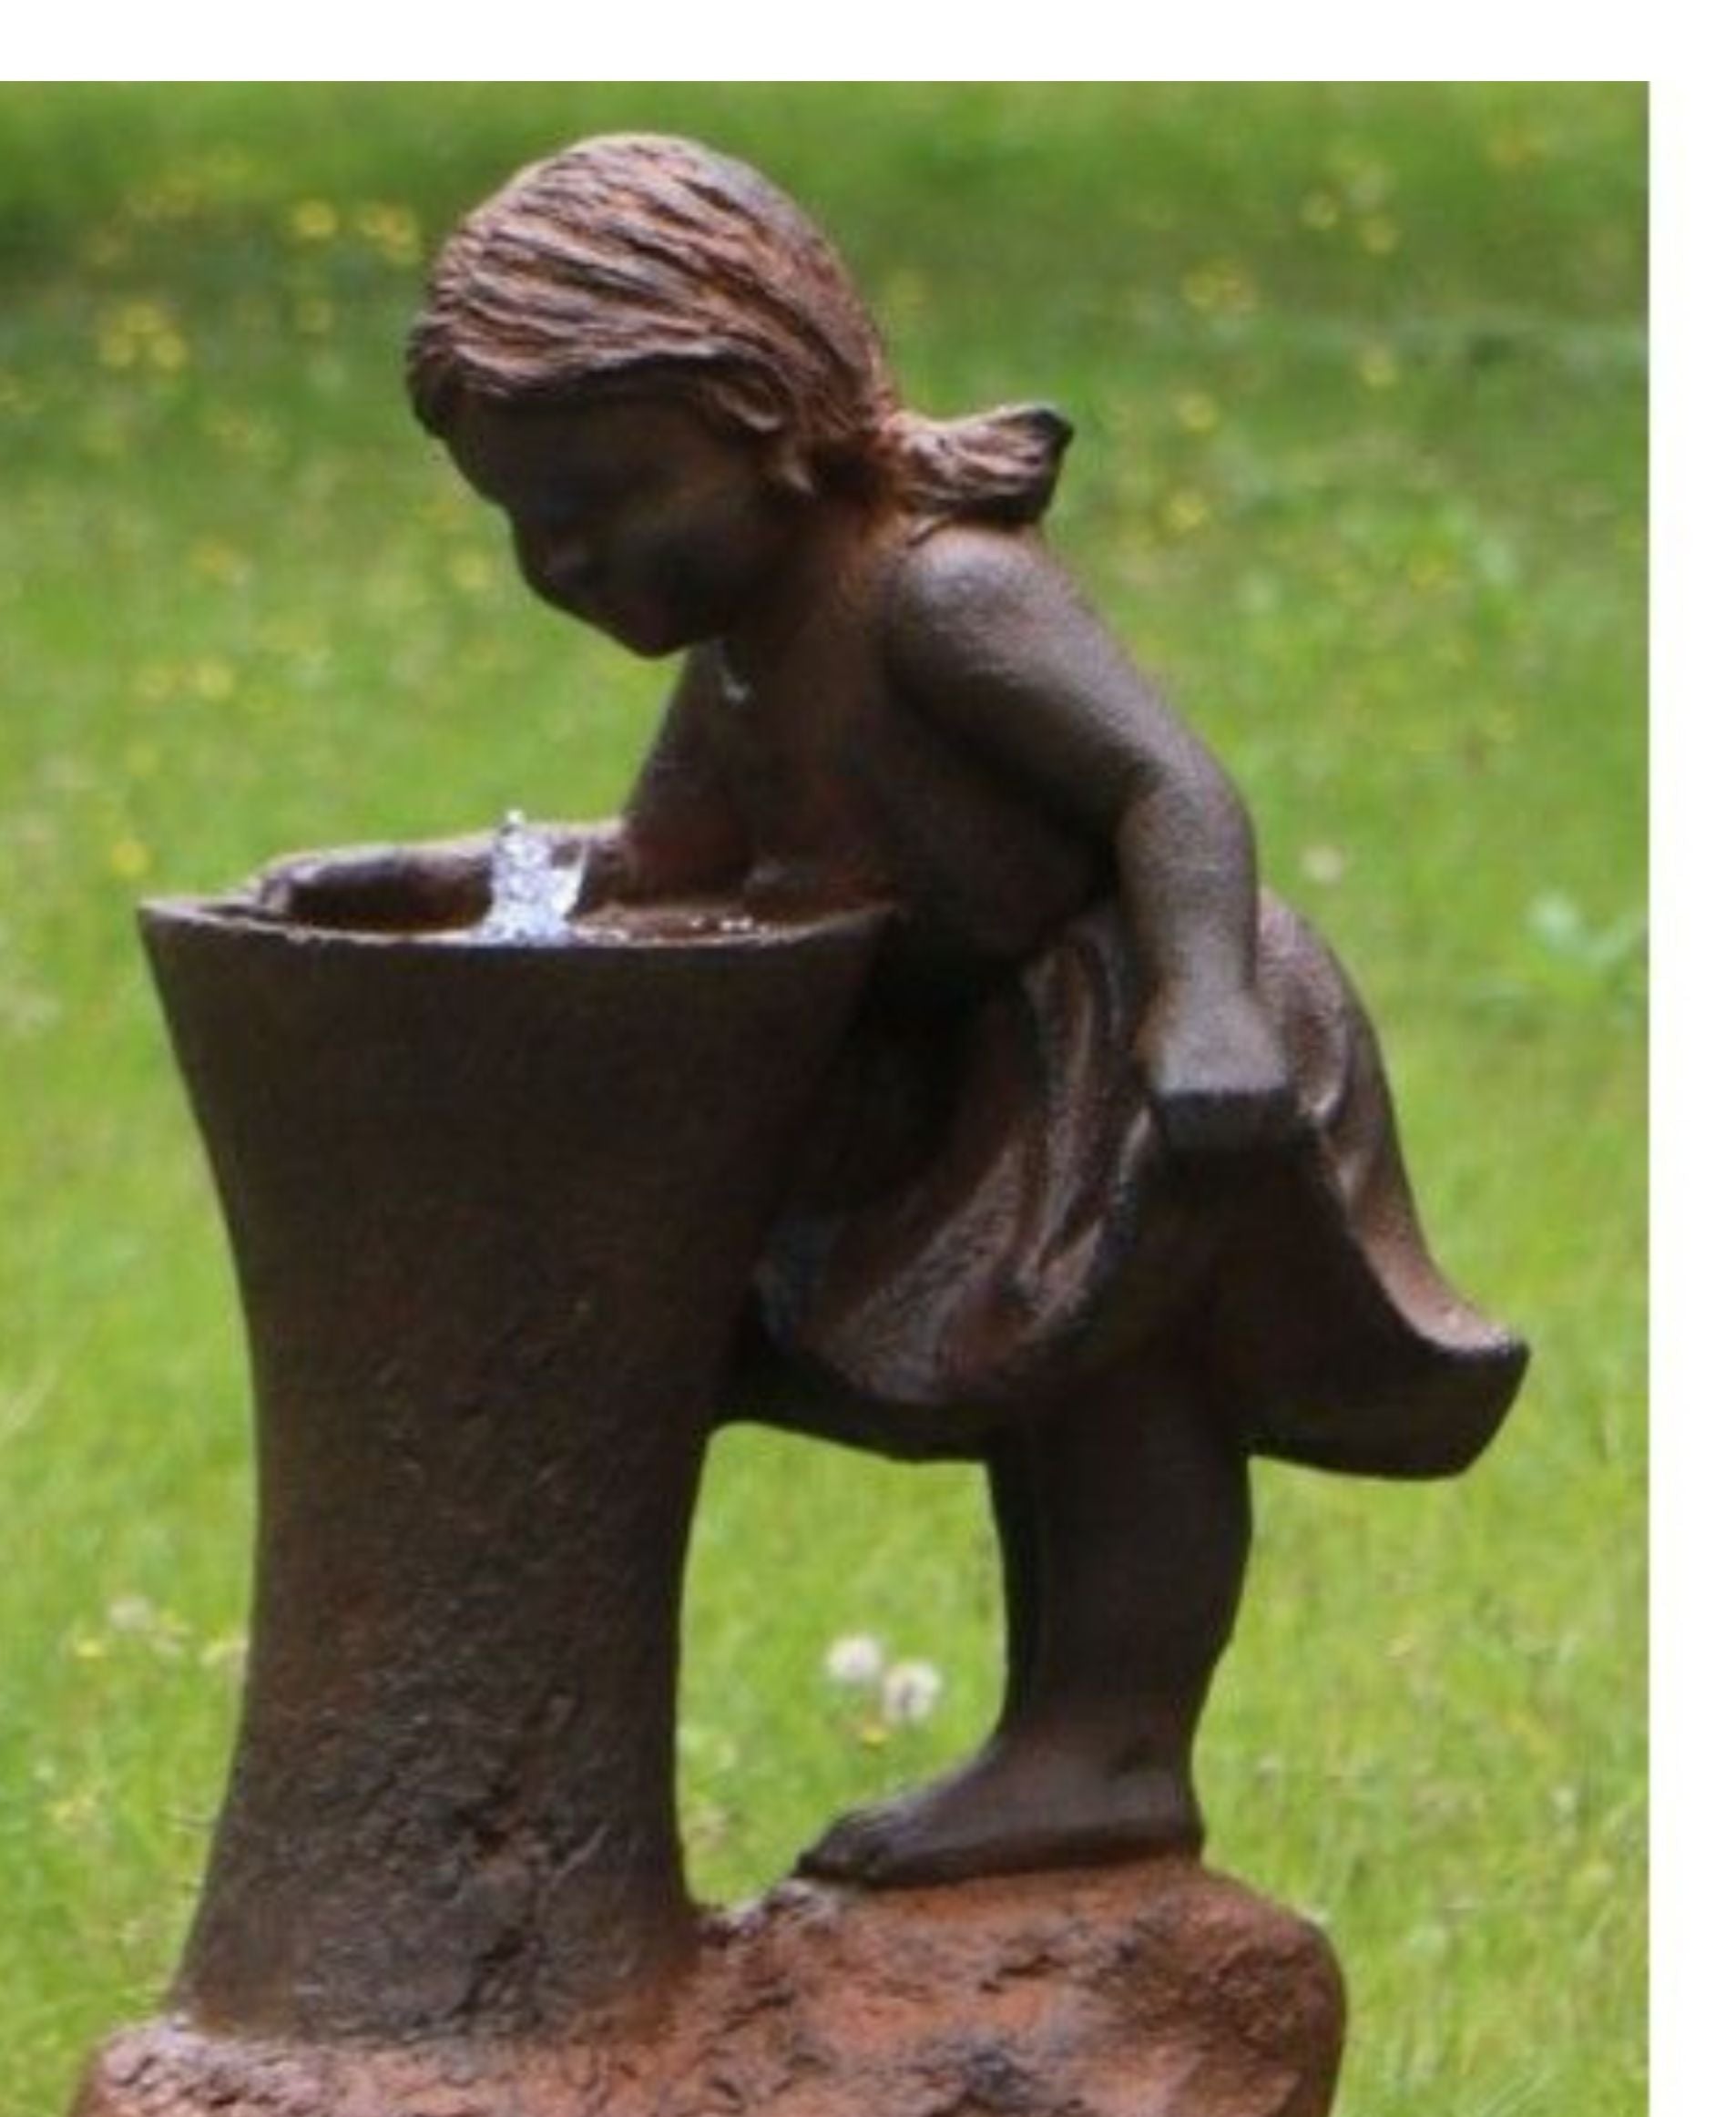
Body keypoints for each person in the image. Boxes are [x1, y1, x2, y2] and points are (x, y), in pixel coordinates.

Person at [255, 133, 1526, 1886]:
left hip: (1124, 1027)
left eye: (603, 499)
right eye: (523, 525)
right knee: (1017, 1371)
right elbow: (650, 864)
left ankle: (1104, 1745)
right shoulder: (744, 647)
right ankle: (554, 1784)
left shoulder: (940, 594)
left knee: (1119, 1387)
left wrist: (1206, 1008)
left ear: (764, 412)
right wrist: (420, 878)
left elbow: (1170, 792)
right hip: (959, 1059)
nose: (561, 560)